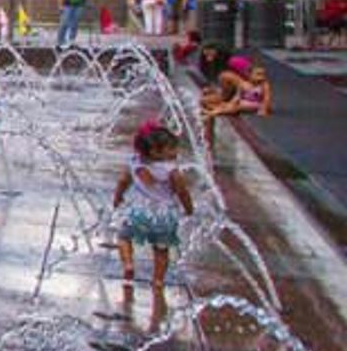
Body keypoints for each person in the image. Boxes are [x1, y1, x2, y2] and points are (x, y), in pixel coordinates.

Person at [112, 122, 195, 296]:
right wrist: (189, 208)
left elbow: (123, 182)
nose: (176, 152)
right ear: (155, 151)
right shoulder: (172, 171)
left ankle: (128, 264)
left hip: (138, 211)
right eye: (171, 149)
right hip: (164, 216)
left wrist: (118, 197)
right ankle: (158, 281)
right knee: (161, 250)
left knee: (124, 238)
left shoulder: (134, 163)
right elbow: (182, 192)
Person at [202, 54, 272, 145]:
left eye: (263, 74)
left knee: (236, 107)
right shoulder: (244, 84)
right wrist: (232, 102)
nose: (261, 77)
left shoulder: (264, 85)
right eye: (258, 74)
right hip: (244, 103)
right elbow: (238, 95)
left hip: (256, 105)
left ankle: (213, 113)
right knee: (231, 105)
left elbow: (267, 98)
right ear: (249, 75)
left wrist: (264, 109)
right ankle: (216, 110)